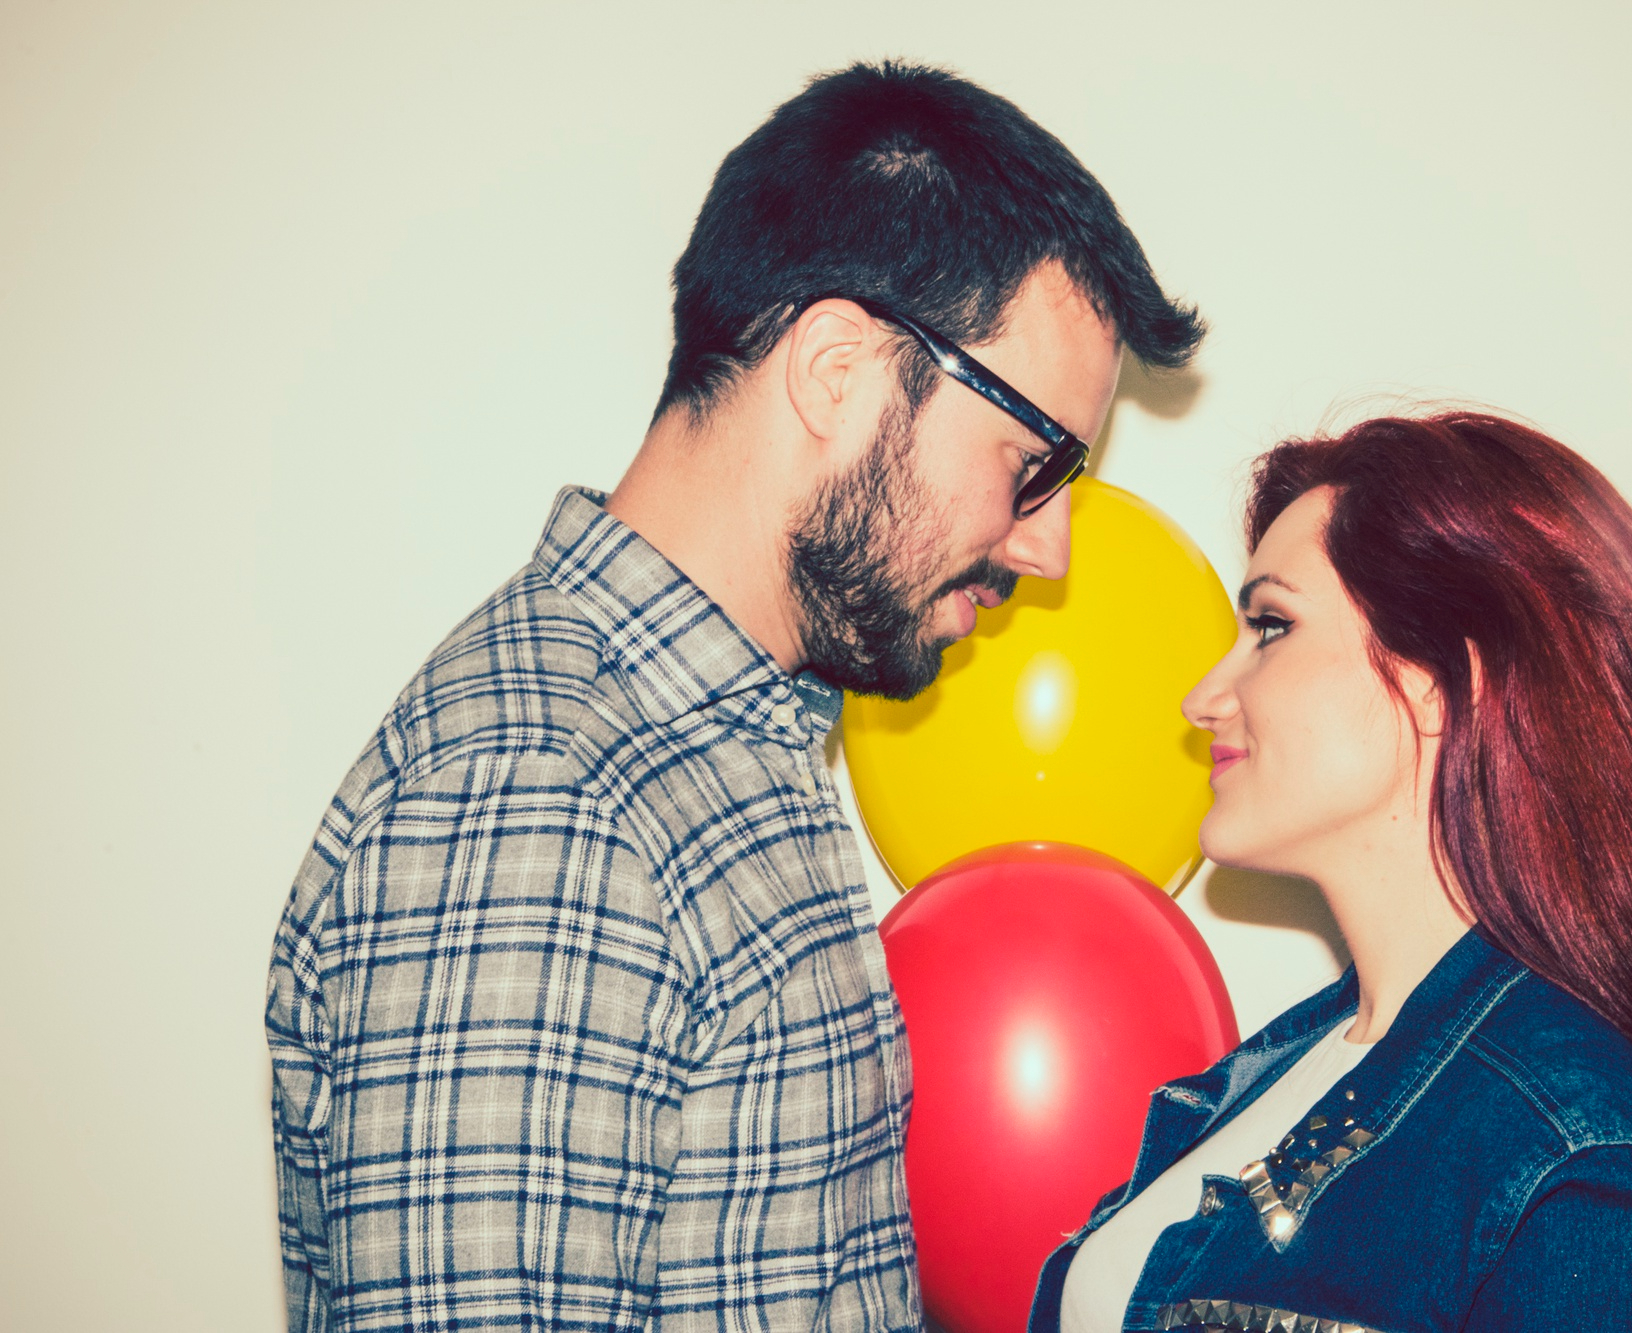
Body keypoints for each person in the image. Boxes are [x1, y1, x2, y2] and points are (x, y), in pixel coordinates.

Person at [266, 61, 1202, 1332]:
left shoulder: (724, 748)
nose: (1048, 550)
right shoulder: (541, 806)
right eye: (1031, 467)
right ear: (834, 369)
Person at [1032, 412, 1632, 1332]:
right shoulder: (1295, 1064)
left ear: (1443, 684)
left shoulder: (1593, 1173)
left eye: (1272, 626)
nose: (1204, 696)